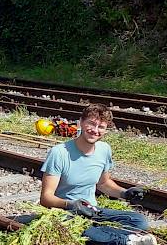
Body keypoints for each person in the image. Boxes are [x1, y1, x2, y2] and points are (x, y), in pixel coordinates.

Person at [39, 104, 157, 245]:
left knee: (139, 221)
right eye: (91, 124)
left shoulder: (104, 149)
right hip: (64, 213)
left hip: (93, 211)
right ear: (81, 122)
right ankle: (125, 241)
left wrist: (125, 193)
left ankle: (104, 236)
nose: (95, 130)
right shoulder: (59, 153)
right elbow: (46, 198)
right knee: (79, 229)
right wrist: (70, 204)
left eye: (101, 127)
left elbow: (103, 183)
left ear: (106, 129)